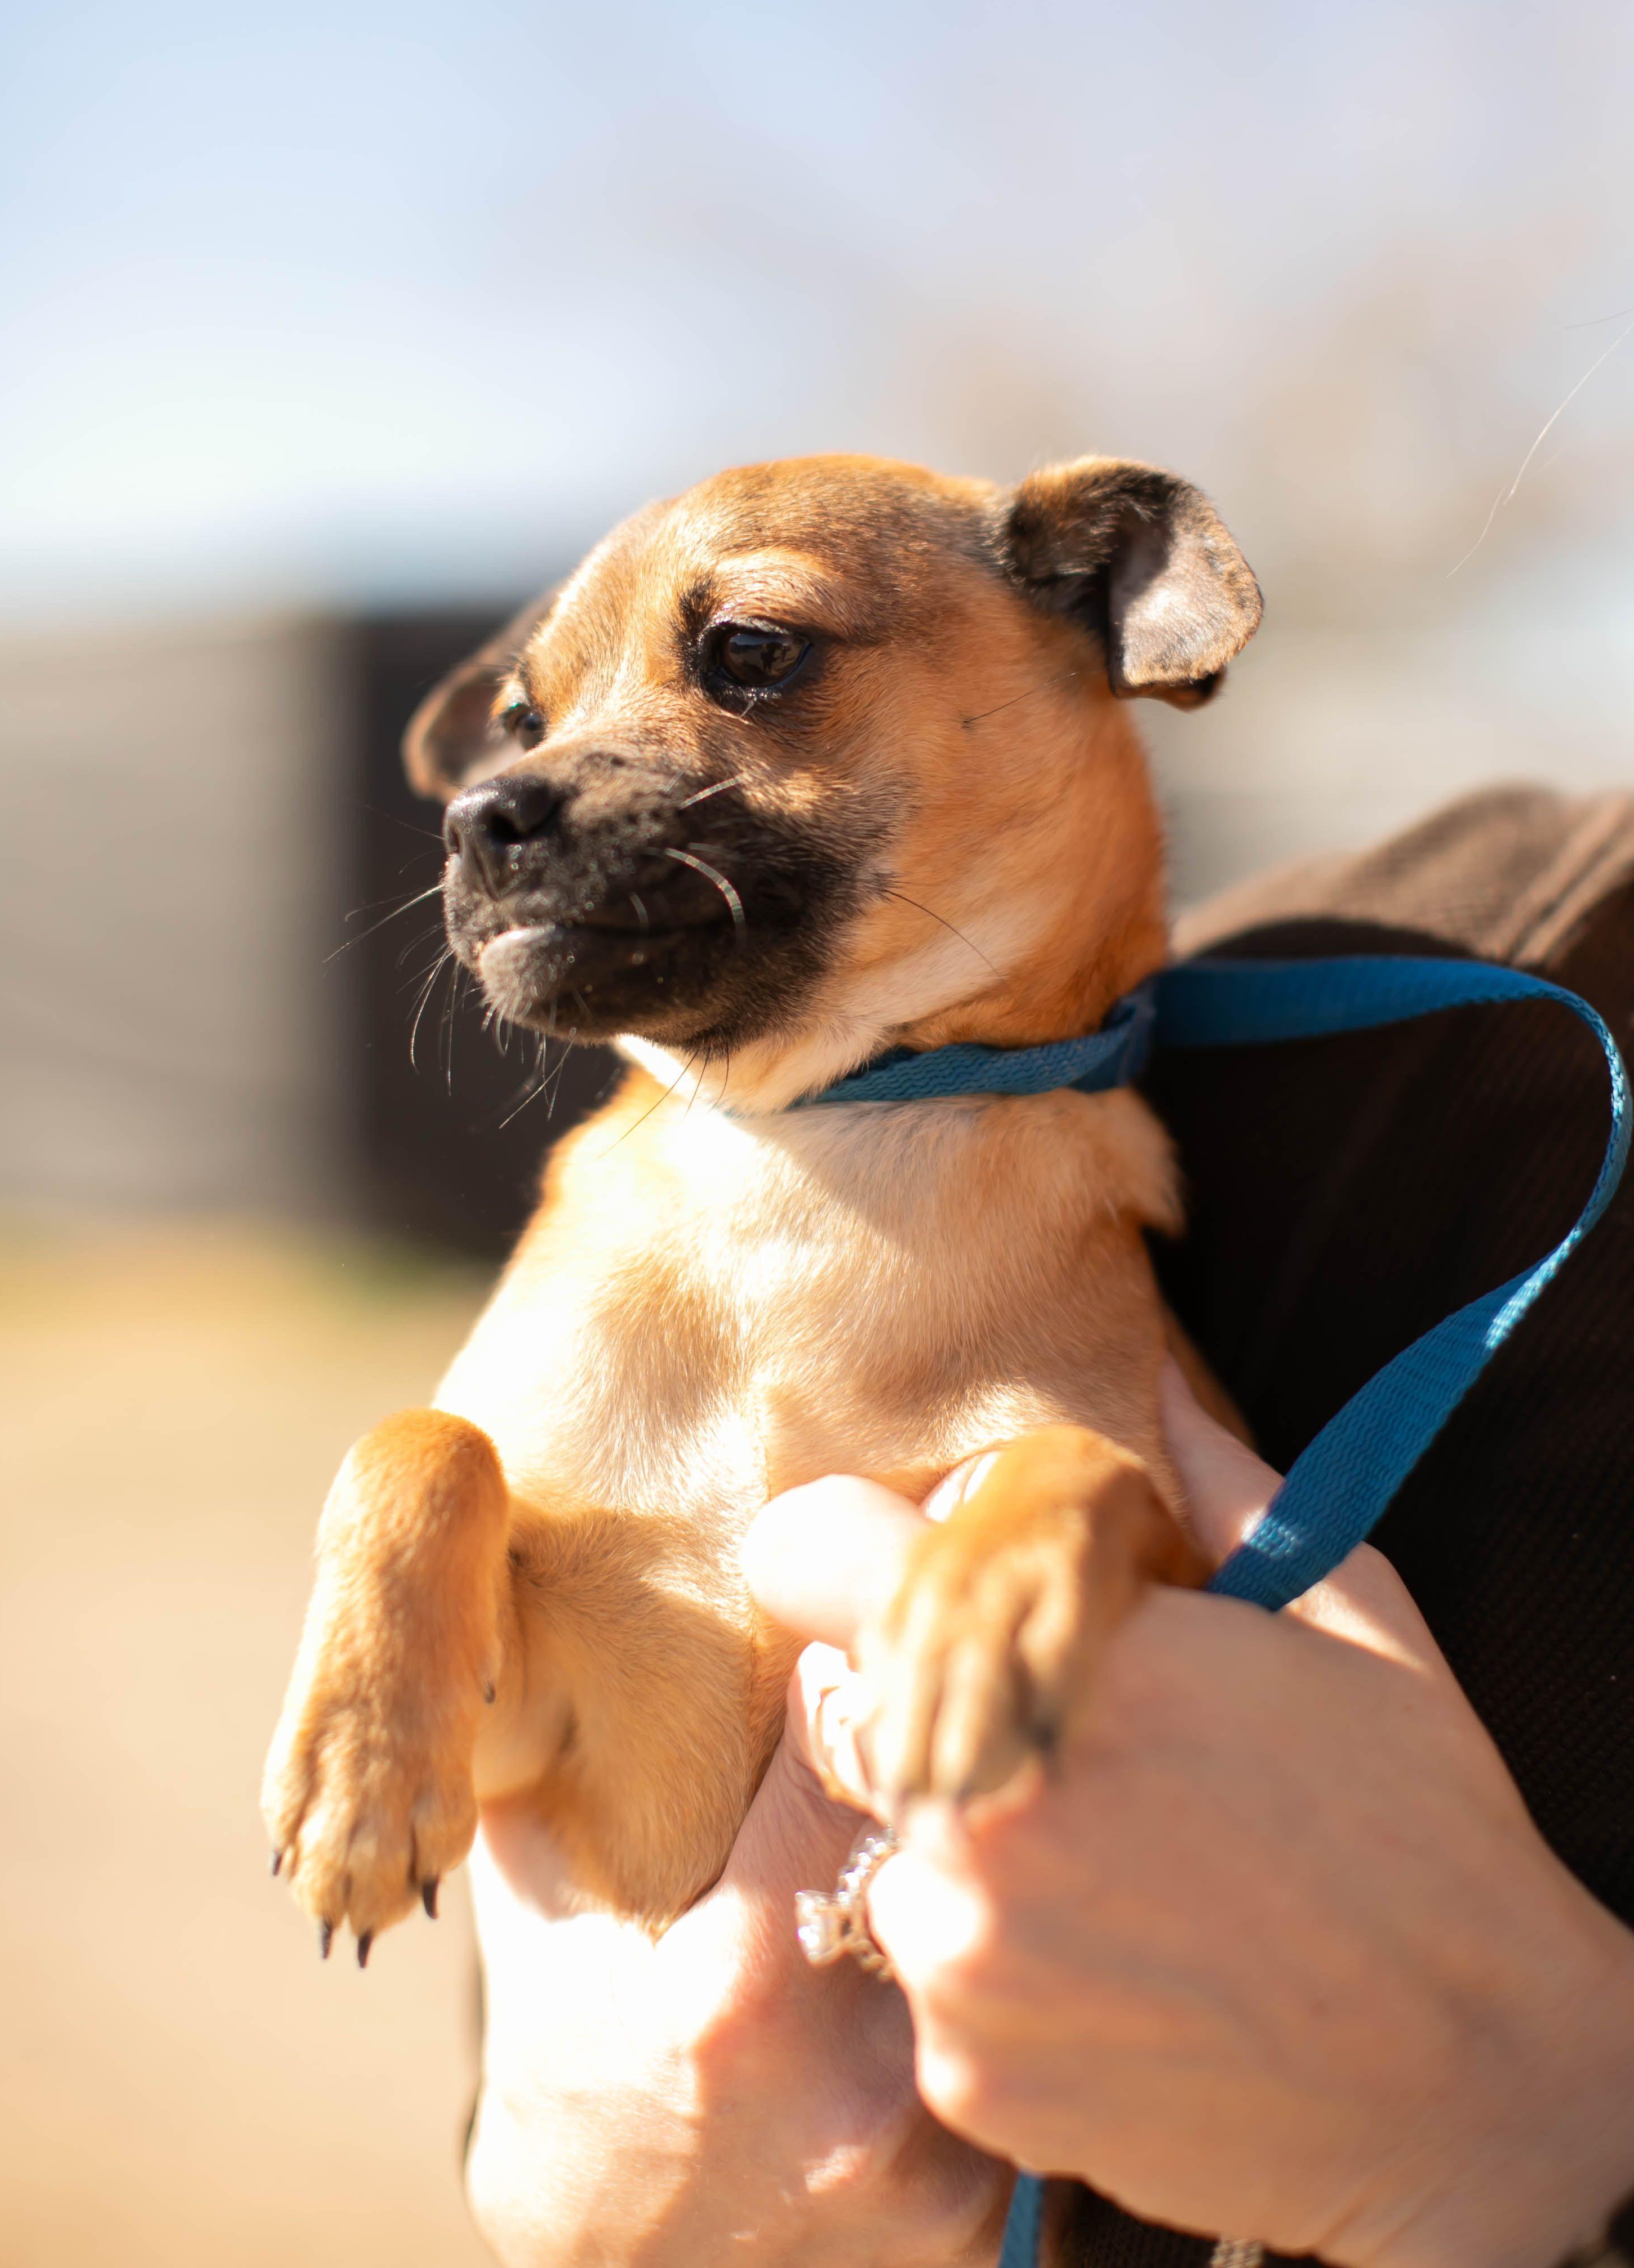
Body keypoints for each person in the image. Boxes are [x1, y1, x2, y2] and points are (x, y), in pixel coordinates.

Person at [462, 788, 1634, 2268]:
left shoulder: (1475, 1012)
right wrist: (565, 2140)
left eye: (757, 655)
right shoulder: (1440, 979)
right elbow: (585, 1981)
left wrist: (1538, 2138)